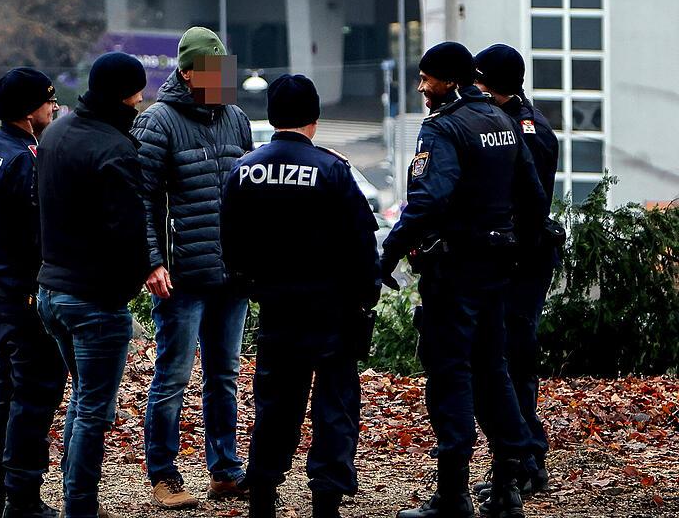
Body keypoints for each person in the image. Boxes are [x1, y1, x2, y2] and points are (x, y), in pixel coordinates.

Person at [382, 42, 548, 518]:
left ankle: (453, 494)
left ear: (450, 81)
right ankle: (507, 485)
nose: (421, 87)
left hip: (454, 272)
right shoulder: (501, 121)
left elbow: (429, 199)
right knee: (493, 370)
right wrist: (516, 252)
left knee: (450, 374)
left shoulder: (443, 127)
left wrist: (389, 252)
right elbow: (534, 196)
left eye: (427, 79)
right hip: (496, 269)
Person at [220, 74, 380, 518]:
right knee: (334, 405)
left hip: (277, 308)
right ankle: (326, 499)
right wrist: (366, 295)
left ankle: (262, 494)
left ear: (272, 116)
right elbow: (362, 243)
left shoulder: (244, 170)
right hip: (332, 309)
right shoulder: (331, 170)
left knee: (275, 405)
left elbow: (230, 242)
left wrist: (253, 286)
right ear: (315, 117)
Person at [130, 26, 254, 508]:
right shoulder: (157, 122)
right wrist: (152, 261)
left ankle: (225, 471)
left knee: (224, 377)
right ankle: (163, 475)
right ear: (187, 73)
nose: (224, 79)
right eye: (213, 71)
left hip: (232, 275)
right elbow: (141, 199)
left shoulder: (236, 118)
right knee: (173, 377)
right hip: (181, 277)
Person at [36, 52, 152, 518]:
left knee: (82, 397)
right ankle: (80, 505)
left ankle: (75, 496)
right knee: (93, 410)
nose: (141, 102)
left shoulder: (55, 132)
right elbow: (130, 232)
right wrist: (128, 287)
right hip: (95, 299)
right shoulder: (116, 150)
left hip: (51, 290)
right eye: (137, 94)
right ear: (122, 96)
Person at [0, 68, 68, 518]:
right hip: (27, 293)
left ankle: (1, 490)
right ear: (29, 112)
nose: (54, 107)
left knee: (8, 389)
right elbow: (38, 232)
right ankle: (23, 497)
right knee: (36, 392)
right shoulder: (27, 159)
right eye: (49, 101)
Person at [471, 44, 560, 502]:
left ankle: (526, 462)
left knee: (513, 361)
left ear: (491, 85)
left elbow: (528, 203)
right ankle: (517, 460)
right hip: (514, 259)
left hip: (523, 263)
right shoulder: (511, 122)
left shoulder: (528, 131)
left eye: (478, 81)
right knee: (503, 361)